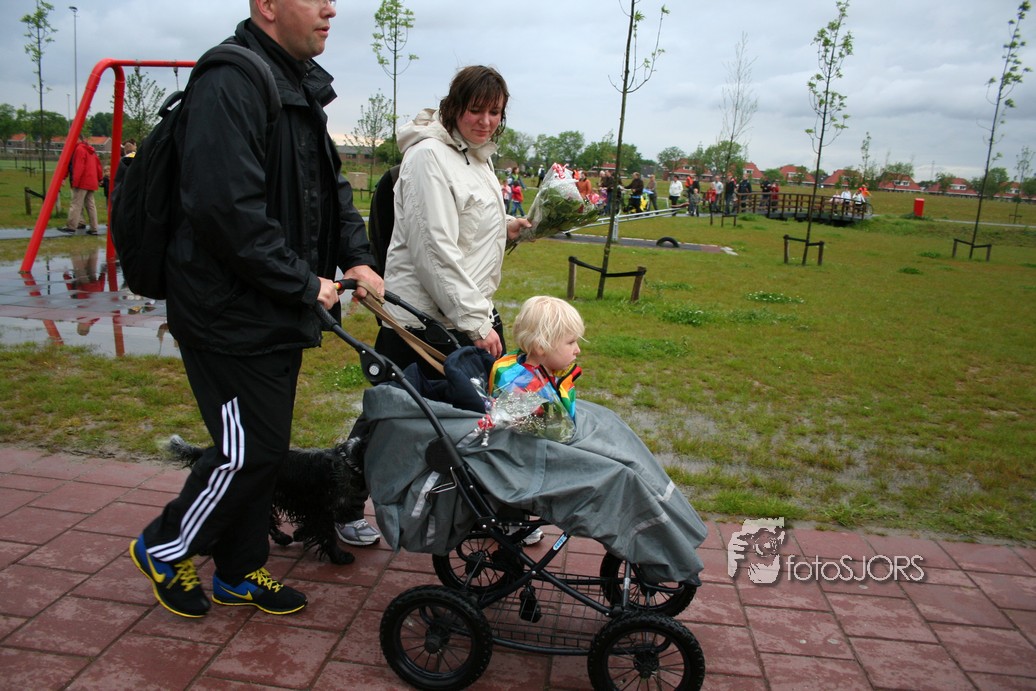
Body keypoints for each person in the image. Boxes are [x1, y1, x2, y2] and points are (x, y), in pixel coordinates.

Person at [129, 0, 384, 619]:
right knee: (246, 454)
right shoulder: (230, 81)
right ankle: (166, 543)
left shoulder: (295, 83)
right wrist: (302, 282)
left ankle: (239, 571)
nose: (331, 9)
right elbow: (225, 209)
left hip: (269, 310)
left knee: (260, 451)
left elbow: (330, 188)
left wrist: (356, 257)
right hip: (227, 314)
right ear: (267, 5)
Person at [373, 65, 529, 375]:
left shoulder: (477, 154)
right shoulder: (428, 156)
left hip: (461, 317)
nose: (486, 121)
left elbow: (466, 215)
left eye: (494, 112)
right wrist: (476, 323)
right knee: (427, 408)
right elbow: (434, 251)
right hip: (426, 328)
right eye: (476, 110)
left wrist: (505, 225)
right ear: (454, 107)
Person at [489, 295, 584, 433]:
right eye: (571, 342)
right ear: (540, 347)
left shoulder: (551, 369)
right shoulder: (524, 389)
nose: (578, 350)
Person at [59, 134, 103, 235]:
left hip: (82, 181)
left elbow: (79, 167)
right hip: (91, 181)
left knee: (76, 204)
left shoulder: (79, 150)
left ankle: (71, 226)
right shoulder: (90, 150)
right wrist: (99, 178)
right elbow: (98, 165)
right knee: (90, 205)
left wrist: (75, 182)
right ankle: (94, 227)